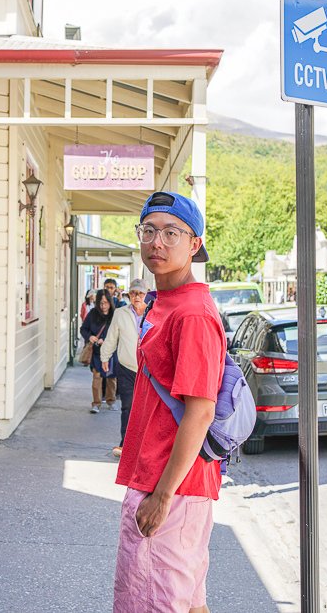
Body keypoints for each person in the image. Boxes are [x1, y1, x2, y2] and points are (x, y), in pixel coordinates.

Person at [114, 191, 224, 613]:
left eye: (171, 233)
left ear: (194, 245)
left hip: (170, 485)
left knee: (151, 603)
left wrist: (161, 496)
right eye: (149, 231)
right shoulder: (163, 302)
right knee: (187, 602)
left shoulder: (192, 312)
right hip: (167, 480)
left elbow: (200, 412)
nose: (157, 242)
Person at [101, 278, 149, 458]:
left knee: (147, 408)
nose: (137, 297)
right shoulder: (121, 313)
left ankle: (144, 445)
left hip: (148, 369)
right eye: (134, 293)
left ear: (147, 294)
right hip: (127, 368)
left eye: (141, 293)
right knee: (127, 407)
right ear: (129, 295)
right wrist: (105, 356)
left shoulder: (153, 312)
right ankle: (126, 445)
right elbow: (112, 336)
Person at [80, 289, 117, 413]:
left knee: (111, 377)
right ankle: (96, 403)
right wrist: (90, 337)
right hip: (96, 352)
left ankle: (111, 400)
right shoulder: (93, 314)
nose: (103, 306)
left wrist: (106, 340)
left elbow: (119, 333)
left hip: (111, 352)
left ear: (110, 302)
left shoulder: (115, 314)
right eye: (101, 303)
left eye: (106, 303)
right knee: (97, 377)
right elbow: (83, 329)